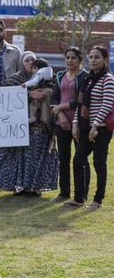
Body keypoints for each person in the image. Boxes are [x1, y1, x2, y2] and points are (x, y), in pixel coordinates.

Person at [0, 56, 60, 196]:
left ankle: (34, 188)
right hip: (20, 128)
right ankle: (20, 186)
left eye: (33, 62)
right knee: (18, 159)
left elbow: (53, 94)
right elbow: (5, 91)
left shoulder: (49, 80)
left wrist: (45, 93)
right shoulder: (17, 79)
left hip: (41, 128)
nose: (30, 65)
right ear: (22, 63)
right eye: (27, 61)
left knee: (35, 160)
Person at [67, 46, 114, 209]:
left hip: (101, 129)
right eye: (91, 57)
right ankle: (79, 198)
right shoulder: (87, 79)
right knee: (78, 159)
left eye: (97, 57)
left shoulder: (107, 79)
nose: (93, 60)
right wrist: (75, 123)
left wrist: (95, 125)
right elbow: (80, 105)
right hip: (85, 127)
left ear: (105, 60)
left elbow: (107, 104)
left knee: (99, 163)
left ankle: (97, 200)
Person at [50, 47, 88, 202]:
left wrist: (61, 107)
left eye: (73, 58)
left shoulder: (85, 77)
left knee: (80, 159)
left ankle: (82, 194)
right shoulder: (60, 76)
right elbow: (53, 99)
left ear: (80, 60)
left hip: (79, 123)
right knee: (63, 159)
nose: (70, 60)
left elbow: (80, 101)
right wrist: (59, 114)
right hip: (61, 124)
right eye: (67, 58)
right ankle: (64, 192)